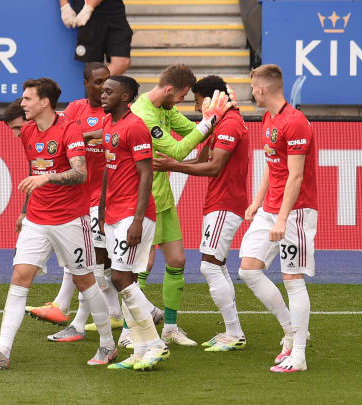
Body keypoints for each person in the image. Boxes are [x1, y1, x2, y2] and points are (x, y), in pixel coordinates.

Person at [0, 78, 116, 370]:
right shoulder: (26, 132)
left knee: (85, 280)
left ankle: (108, 345)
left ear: (45, 102)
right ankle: (2, 351)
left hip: (71, 220)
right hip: (37, 219)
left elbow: (80, 173)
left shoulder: (69, 129)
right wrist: (26, 209)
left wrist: (48, 178)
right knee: (19, 277)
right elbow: (34, 169)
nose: (22, 103)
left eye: (27, 98)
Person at [129, 64, 230, 348]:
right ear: (170, 89)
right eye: (184, 95)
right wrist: (208, 123)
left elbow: (193, 131)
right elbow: (175, 150)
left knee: (177, 261)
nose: (185, 102)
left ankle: (170, 327)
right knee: (140, 266)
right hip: (143, 199)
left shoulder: (167, 109)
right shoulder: (144, 114)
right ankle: (130, 330)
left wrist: (221, 119)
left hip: (164, 198)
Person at [26, 63, 124, 342]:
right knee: (89, 262)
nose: (104, 88)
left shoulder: (114, 113)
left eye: (108, 82)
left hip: (107, 196)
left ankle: (80, 316)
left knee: (97, 264)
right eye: (98, 82)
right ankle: (90, 315)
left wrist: (90, 136)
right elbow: (56, 136)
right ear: (85, 84)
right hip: (80, 197)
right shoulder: (75, 110)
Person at [152, 75, 249, 352]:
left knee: (209, 265)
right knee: (216, 265)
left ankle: (234, 333)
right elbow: (205, 158)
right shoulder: (224, 122)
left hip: (225, 202)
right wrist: (207, 129)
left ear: (209, 99)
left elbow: (214, 167)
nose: (196, 107)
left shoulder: (230, 123)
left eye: (197, 101)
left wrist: (173, 165)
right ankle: (233, 331)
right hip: (220, 202)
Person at [238, 64, 317, 373]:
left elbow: (295, 177)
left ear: (262, 89)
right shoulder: (269, 118)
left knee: (292, 280)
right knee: (248, 269)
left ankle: (298, 355)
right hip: (271, 209)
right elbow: (273, 165)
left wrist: (283, 219)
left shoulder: (295, 123)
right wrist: (257, 202)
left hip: (295, 212)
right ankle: (292, 329)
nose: (251, 92)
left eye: (253, 87)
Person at [98, 75, 166, 371]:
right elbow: (107, 170)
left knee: (121, 278)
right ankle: (140, 350)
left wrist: (137, 220)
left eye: (109, 92)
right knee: (124, 280)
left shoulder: (136, 126)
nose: (103, 95)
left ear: (125, 97)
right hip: (113, 213)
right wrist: (101, 208)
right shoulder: (109, 125)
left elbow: (146, 174)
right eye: (102, 91)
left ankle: (156, 344)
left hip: (132, 214)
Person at [59, 0, 132, 75]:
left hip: (113, 10)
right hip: (90, 13)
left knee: (122, 63)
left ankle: (95, 84)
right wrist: (64, 6)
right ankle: (96, 84)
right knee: (94, 66)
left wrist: (89, 7)